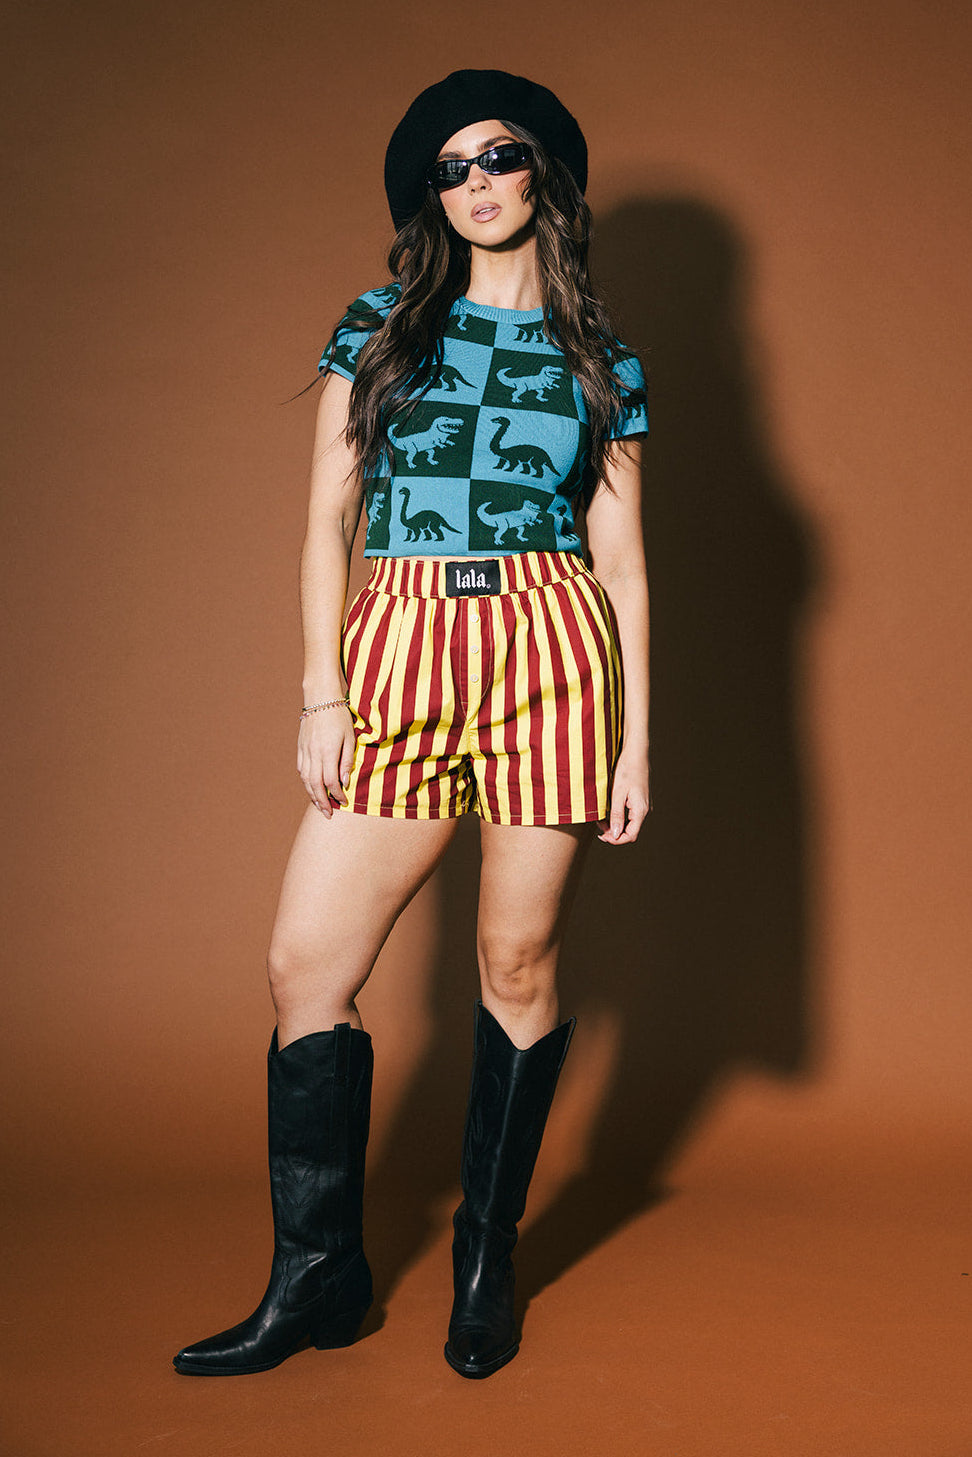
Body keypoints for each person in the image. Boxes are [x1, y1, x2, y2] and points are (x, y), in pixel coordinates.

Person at [173, 68, 650, 1383]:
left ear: (545, 170)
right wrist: (323, 689)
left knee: (514, 962)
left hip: (554, 651)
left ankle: (487, 1261)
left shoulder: (598, 358)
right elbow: (328, 520)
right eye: (451, 166)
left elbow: (623, 564)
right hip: (401, 647)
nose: (480, 180)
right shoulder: (383, 326)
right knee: (307, 964)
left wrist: (635, 737)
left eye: (501, 154)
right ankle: (318, 1275)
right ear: (429, 197)